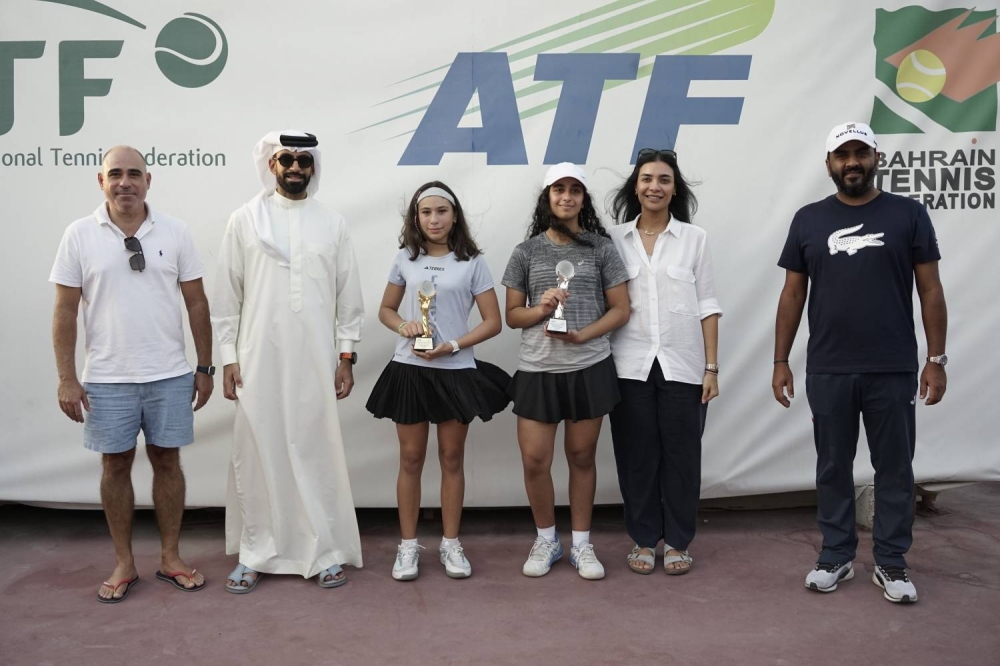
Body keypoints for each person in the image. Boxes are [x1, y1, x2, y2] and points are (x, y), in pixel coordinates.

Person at [773, 122, 947, 604]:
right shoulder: (808, 219)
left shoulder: (908, 214)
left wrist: (936, 359)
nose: (852, 161)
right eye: (842, 154)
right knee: (833, 465)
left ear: (876, 158)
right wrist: (780, 360)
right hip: (829, 367)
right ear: (829, 164)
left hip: (892, 366)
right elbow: (792, 294)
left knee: (894, 468)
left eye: (861, 152)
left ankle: (891, 561)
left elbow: (930, 289)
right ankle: (836, 554)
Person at [50, 145, 213, 603]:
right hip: (107, 378)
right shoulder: (79, 234)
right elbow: (64, 310)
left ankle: (170, 557)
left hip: (169, 375)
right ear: (101, 181)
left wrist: (204, 366)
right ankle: (124, 562)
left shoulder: (176, 231)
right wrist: (67, 377)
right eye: (116, 174)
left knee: (168, 462)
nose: (125, 182)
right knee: (115, 465)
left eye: (134, 174)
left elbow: (197, 302)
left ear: (148, 180)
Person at [212, 130, 365, 593]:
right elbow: (227, 295)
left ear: (314, 167)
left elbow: (348, 296)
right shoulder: (244, 220)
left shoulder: (332, 223)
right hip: (256, 357)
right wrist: (227, 357)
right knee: (257, 452)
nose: (295, 167)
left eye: (304, 160)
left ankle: (324, 551)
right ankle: (255, 552)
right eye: (286, 159)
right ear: (271, 165)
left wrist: (346, 356)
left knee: (315, 448)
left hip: (316, 358)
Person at [367, 181, 509, 581]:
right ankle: (407, 547)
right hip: (409, 370)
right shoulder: (405, 259)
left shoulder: (473, 262)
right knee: (411, 459)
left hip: (455, 370)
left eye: (442, 211)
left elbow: (493, 322)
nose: (434, 219)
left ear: (454, 216)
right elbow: (386, 309)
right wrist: (405, 326)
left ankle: (451, 543)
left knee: (451, 458)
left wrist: (453, 345)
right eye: (426, 212)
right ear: (416, 218)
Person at [502, 162, 630, 580]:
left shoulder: (601, 248)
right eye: (559, 189)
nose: (567, 197)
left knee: (581, 457)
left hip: (588, 366)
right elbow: (512, 317)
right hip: (537, 370)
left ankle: (581, 544)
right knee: (535, 461)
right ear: (547, 196)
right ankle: (547, 539)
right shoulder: (526, 252)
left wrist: (582, 336)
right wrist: (541, 308)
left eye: (575, 190)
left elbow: (621, 309)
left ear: (583, 199)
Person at [607, 148, 722, 575]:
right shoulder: (613, 240)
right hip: (628, 365)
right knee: (636, 456)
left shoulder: (695, 239)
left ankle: (677, 542)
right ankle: (642, 539)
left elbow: (708, 305)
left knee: (681, 457)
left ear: (675, 190)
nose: (654, 186)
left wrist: (711, 368)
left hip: (684, 366)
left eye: (664, 180)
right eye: (647, 179)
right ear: (635, 187)